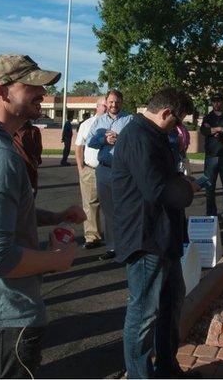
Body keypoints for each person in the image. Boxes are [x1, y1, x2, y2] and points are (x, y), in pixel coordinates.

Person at [0, 54, 86, 378]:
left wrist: (53, 216)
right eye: (32, 85)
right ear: (1, 91)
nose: (43, 94)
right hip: (4, 316)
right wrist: (57, 259)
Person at [111, 88, 200, 379]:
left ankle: (166, 368)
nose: (178, 128)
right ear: (165, 113)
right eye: (177, 121)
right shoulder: (138, 135)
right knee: (143, 313)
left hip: (163, 235)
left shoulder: (153, 133)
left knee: (171, 301)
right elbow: (156, 188)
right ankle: (139, 375)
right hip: (145, 237)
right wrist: (188, 189)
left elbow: (161, 177)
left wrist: (179, 180)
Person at [86, 89, 132, 261]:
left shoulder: (130, 120)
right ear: (106, 102)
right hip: (104, 170)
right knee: (108, 210)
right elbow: (90, 142)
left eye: (117, 101)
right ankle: (112, 247)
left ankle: (128, 245)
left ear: (121, 102)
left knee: (126, 207)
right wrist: (104, 140)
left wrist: (120, 138)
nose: (114, 105)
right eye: (111, 101)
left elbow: (135, 141)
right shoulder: (99, 122)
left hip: (123, 170)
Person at [75, 99, 107, 249]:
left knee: (112, 204)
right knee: (90, 204)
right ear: (97, 107)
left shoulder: (115, 124)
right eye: (104, 105)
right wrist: (81, 168)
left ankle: (116, 237)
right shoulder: (87, 125)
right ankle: (92, 237)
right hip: (90, 170)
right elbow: (79, 147)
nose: (108, 108)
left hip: (109, 170)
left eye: (110, 105)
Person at [199, 95, 223, 221]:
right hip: (211, 156)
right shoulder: (207, 117)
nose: (216, 103)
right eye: (214, 101)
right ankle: (211, 214)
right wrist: (219, 129)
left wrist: (213, 130)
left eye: (219, 101)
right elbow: (203, 130)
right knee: (209, 187)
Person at [13, 120, 43, 193]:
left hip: (21, 170)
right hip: (26, 170)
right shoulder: (33, 131)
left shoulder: (9, 131)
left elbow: (37, 151)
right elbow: (37, 151)